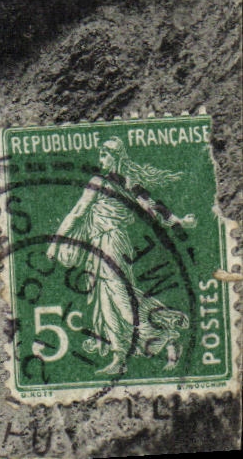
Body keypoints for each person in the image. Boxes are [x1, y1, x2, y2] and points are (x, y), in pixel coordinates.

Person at [45, 136, 195, 374]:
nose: (100, 160)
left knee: (121, 300)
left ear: (115, 158)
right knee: (105, 302)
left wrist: (55, 242)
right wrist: (176, 220)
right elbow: (150, 206)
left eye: (104, 155)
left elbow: (77, 213)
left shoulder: (108, 181)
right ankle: (119, 359)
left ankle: (166, 333)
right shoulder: (125, 182)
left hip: (112, 241)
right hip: (100, 243)